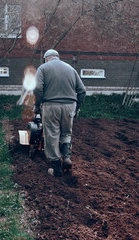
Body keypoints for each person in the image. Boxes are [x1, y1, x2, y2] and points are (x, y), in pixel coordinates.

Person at [34, 49, 86, 177]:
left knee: (52, 135)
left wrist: (37, 106)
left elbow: (37, 88)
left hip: (51, 106)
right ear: (58, 57)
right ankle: (67, 157)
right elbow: (82, 90)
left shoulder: (43, 68)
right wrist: (76, 108)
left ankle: (56, 168)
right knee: (66, 133)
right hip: (70, 106)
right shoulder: (70, 69)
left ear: (46, 58)